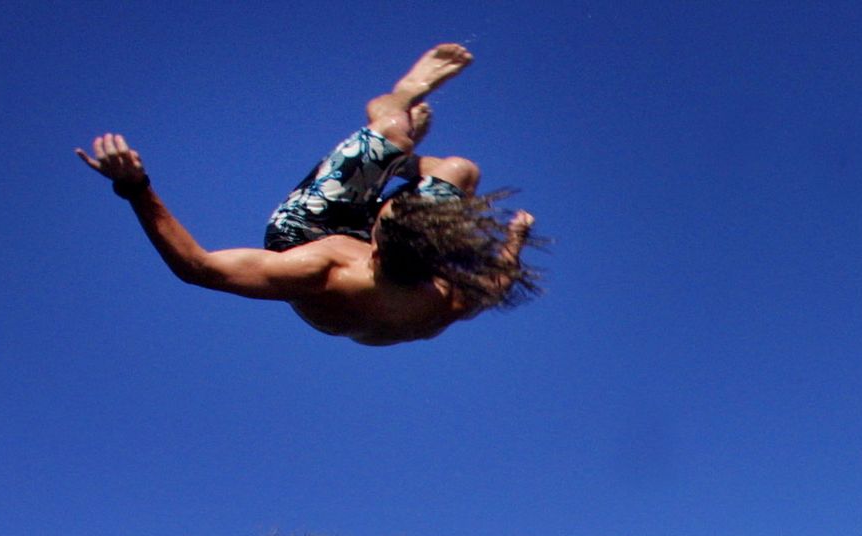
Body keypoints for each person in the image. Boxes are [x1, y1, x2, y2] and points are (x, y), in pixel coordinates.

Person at [78, 44, 539, 346]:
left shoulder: (322, 268)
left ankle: (395, 116)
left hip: (306, 229)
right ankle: (393, 148)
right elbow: (497, 283)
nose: (382, 206)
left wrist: (135, 187)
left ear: (376, 243)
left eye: (385, 209)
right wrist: (515, 238)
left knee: (395, 131)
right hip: (401, 251)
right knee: (461, 171)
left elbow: (198, 268)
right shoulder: (447, 298)